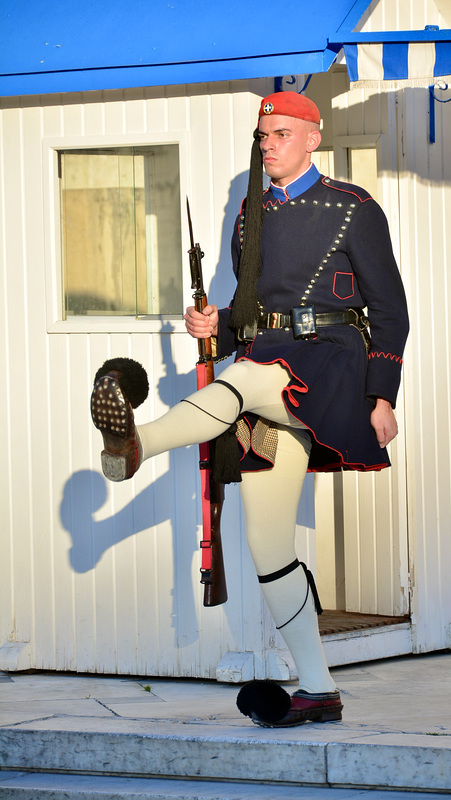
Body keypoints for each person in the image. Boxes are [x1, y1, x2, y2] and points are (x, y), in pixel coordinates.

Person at [91, 91, 409, 728]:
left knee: (249, 378)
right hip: (268, 368)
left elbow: (390, 309)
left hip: (331, 365)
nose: (268, 145)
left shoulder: (353, 209)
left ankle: (137, 446)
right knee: (268, 543)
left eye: (282, 135)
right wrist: (214, 327)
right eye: (264, 137)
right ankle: (319, 690)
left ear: (313, 138)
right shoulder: (250, 215)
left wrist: (382, 393)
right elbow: (246, 315)